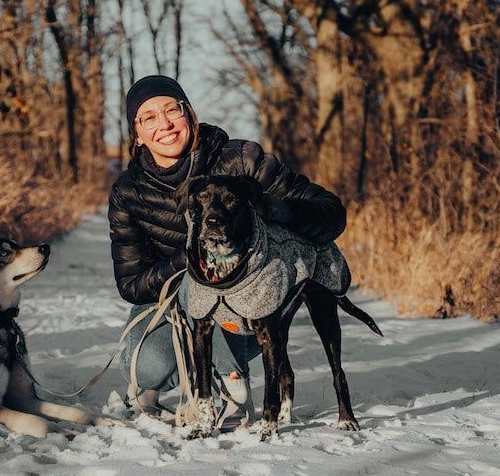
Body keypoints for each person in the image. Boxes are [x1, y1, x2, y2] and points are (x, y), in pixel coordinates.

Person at [108, 74, 347, 419]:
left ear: (188, 112)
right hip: (171, 297)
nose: (164, 125)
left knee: (221, 297)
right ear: (138, 134)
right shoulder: (128, 191)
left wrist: (275, 209)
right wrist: (193, 256)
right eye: (148, 118)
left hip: (247, 294)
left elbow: (332, 213)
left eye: (171, 110)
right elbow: (132, 284)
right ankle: (183, 373)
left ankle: (232, 379)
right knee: (150, 365)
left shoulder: (241, 160)